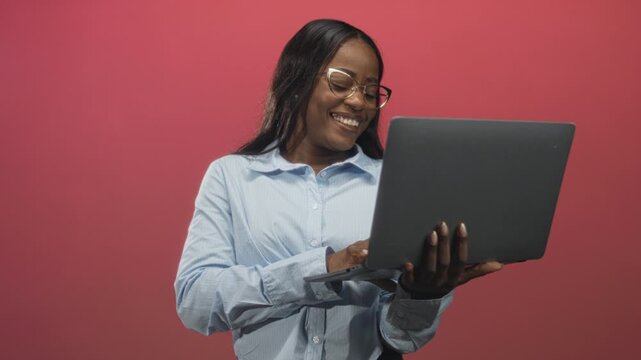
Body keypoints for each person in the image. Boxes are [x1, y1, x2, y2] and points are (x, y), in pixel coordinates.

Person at [174, 19, 503, 360]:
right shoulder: (232, 177)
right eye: (342, 82)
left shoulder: (394, 185)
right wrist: (327, 268)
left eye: (371, 91)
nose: (359, 102)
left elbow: (401, 338)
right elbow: (195, 303)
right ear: (297, 80)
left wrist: (420, 295)